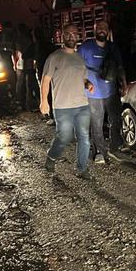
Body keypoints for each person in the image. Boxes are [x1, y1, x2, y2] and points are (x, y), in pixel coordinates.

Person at [40, 24, 95, 179]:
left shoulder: (79, 58)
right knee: (64, 136)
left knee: (84, 137)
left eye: (74, 33)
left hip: (82, 105)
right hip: (62, 106)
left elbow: (83, 78)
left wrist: (88, 84)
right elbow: (45, 80)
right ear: (62, 37)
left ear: (78, 36)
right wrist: (44, 101)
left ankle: (81, 169)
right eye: (68, 34)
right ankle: (51, 157)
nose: (71, 36)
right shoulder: (54, 57)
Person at [78, 20, 126, 163]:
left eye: (104, 28)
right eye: (99, 27)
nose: (101, 30)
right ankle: (99, 151)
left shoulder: (112, 47)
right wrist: (85, 82)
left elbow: (120, 67)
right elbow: (77, 67)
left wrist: (124, 84)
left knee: (116, 119)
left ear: (108, 31)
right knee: (96, 123)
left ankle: (114, 148)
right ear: (94, 30)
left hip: (110, 92)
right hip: (93, 93)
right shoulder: (86, 47)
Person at [14, 24, 38, 111]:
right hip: (28, 65)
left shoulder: (17, 40)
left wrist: (14, 63)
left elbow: (15, 53)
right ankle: (30, 103)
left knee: (21, 85)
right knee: (30, 85)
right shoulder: (30, 40)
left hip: (21, 65)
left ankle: (21, 103)